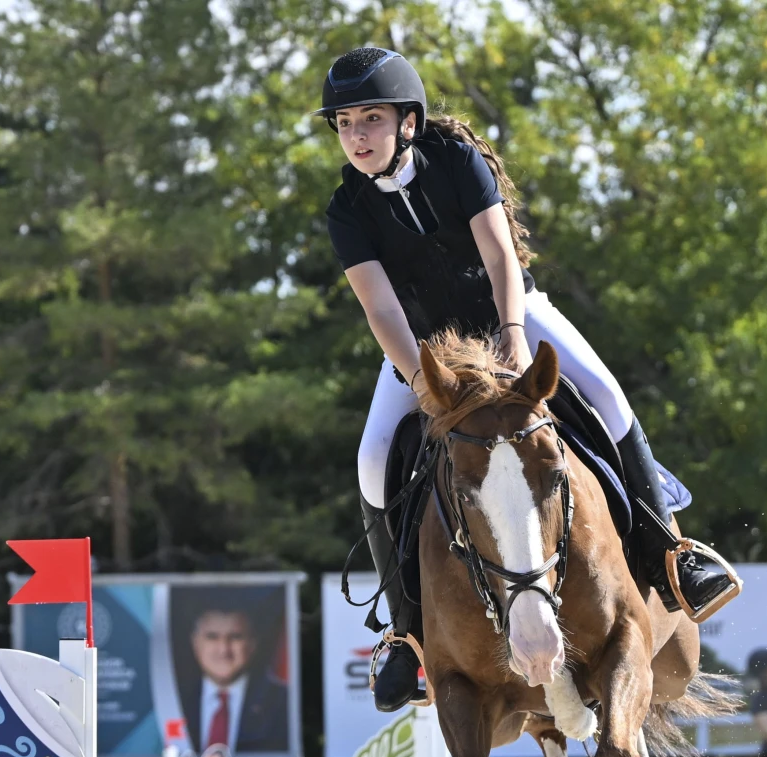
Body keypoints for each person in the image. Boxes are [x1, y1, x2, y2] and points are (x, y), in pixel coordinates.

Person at [317, 47, 743, 711]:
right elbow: (380, 308)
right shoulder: (347, 209)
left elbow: (499, 256)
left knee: (605, 395)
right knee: (373, 460)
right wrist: (420, 378)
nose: (357, 136)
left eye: (371, 118)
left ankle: (671, 551)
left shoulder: (457, 162)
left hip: (509, 316)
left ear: (407, 121)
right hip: (425, 347)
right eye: (345, 124)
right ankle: (405, 636)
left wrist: (514, 336)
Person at [175, 606, 289, 754]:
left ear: (252, 644)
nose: (223, 650)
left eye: (235, 637)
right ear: (195, 642)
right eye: (212, 637)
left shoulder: (282, 701)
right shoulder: (173, 699)